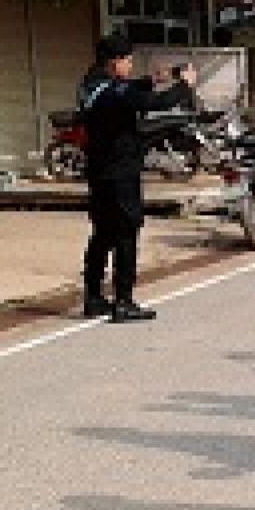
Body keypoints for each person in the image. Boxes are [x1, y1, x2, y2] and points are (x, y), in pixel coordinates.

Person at [77, 33, 180, 322]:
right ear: (114, 63)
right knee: (126, 232)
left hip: (99, 172)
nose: (131, 65)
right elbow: (155, 103)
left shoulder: (91, 85)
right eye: (128, 60)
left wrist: (154, 78)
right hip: (120, 172)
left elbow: (129, 88)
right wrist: (183, 86)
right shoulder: (114, 93)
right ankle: (124, 300)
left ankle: (93, 297)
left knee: (102, 234)